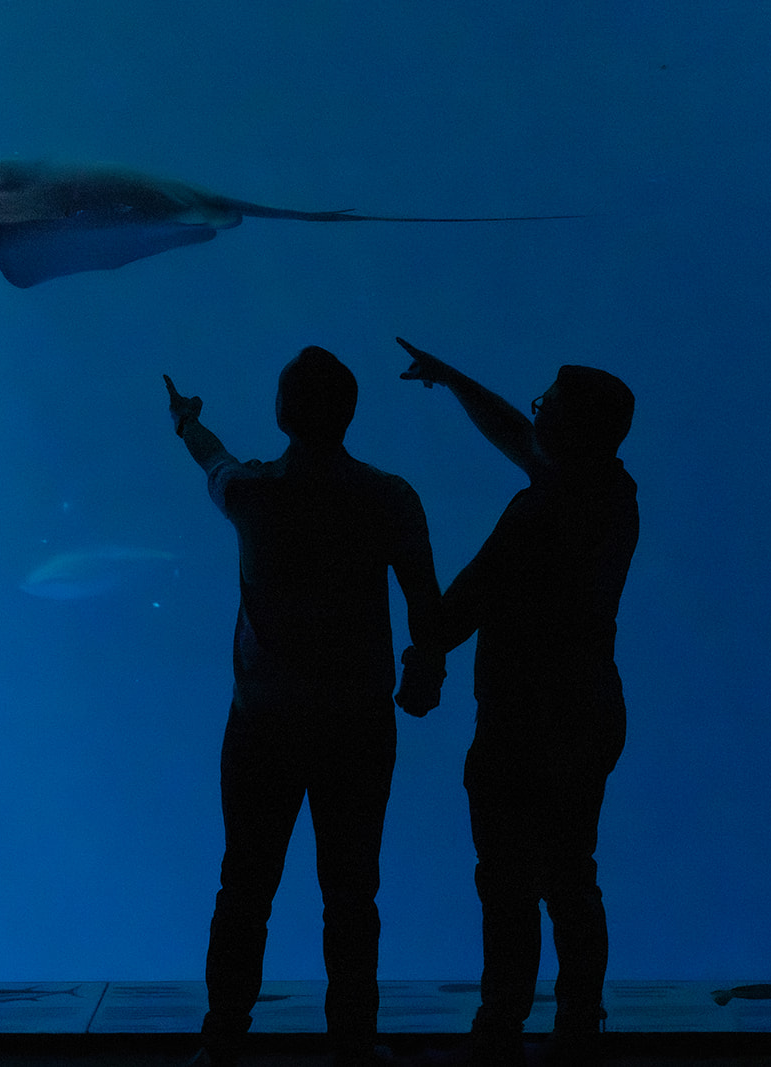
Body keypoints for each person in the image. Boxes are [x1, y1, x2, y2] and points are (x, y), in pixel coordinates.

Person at [164, 347, 444, 1067]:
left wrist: (186, 421)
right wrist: (426, 668)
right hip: (357, 725)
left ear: (282, 412)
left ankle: (224, 1036)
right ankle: (352, 1041)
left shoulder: (253, 495)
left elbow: (214, 460)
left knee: (244, 884)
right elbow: (425, 602)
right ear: (349, 414)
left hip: (263, 725)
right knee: (352, 892)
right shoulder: (389, 497)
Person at [396, 337, 638, 1066]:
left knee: (507, 881)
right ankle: (577, 1026)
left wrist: (422, 642)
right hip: (588, 713)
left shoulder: (541, 512)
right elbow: (516, 433)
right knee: (570, 874)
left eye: (548, 407)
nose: (535, 414)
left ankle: (500, 1027)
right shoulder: (610, 491)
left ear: (572, 428)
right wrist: (454, 379)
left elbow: (459, 605)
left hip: (523, 725)